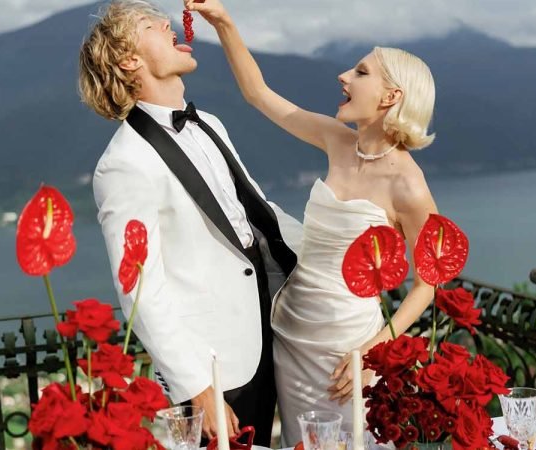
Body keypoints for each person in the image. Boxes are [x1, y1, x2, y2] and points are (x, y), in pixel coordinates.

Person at [185, 0, 438, 444]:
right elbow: (257, 94)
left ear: (391, 96)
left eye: (360, 73)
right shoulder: (338, 141)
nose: (343, 76)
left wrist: (371, 351)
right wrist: (223, 22)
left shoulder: (409, 185)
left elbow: (428, 283)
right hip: (290, 335)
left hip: (347, 352)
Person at [78, 1, 301, 445]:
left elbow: (257, 216)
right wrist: (198, 388)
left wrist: (339, 243)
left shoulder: (210, 123)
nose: (167, 22)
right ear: (129, 60)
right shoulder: (123, 164)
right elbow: (141, 291)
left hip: (262, 338)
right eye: (149, 24)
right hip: (212, 367)